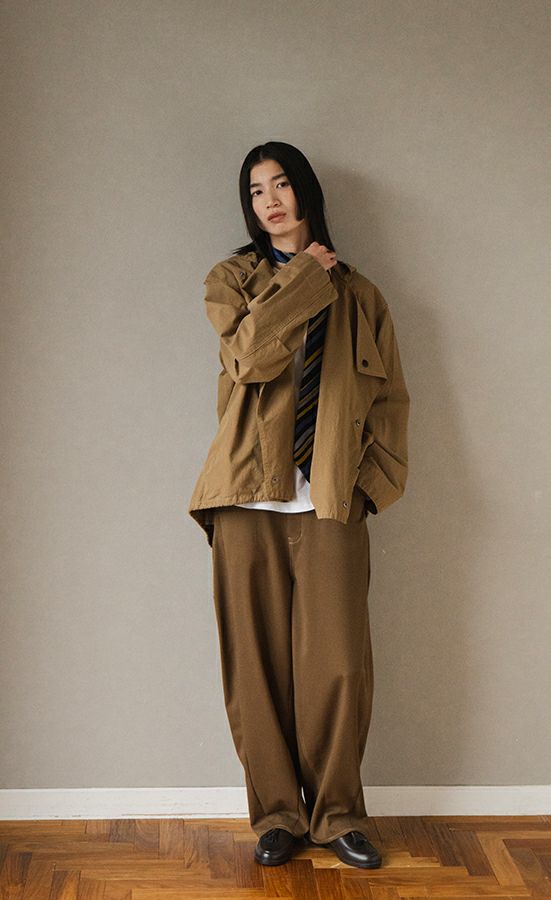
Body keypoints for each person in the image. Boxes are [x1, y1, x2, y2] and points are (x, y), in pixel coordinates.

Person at [188, 141, 410, 869]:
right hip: (246, 496)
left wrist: (368, 489)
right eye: (257, 191)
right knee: (255, 668)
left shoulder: (363, 296)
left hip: (331, 501)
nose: (271, 200)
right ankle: (278, 816)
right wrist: (305, 277)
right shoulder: (232, 280)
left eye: (281, 184)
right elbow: (251, 357)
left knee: (339, 667)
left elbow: (391, 403)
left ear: (306, 191)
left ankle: (338, 813)